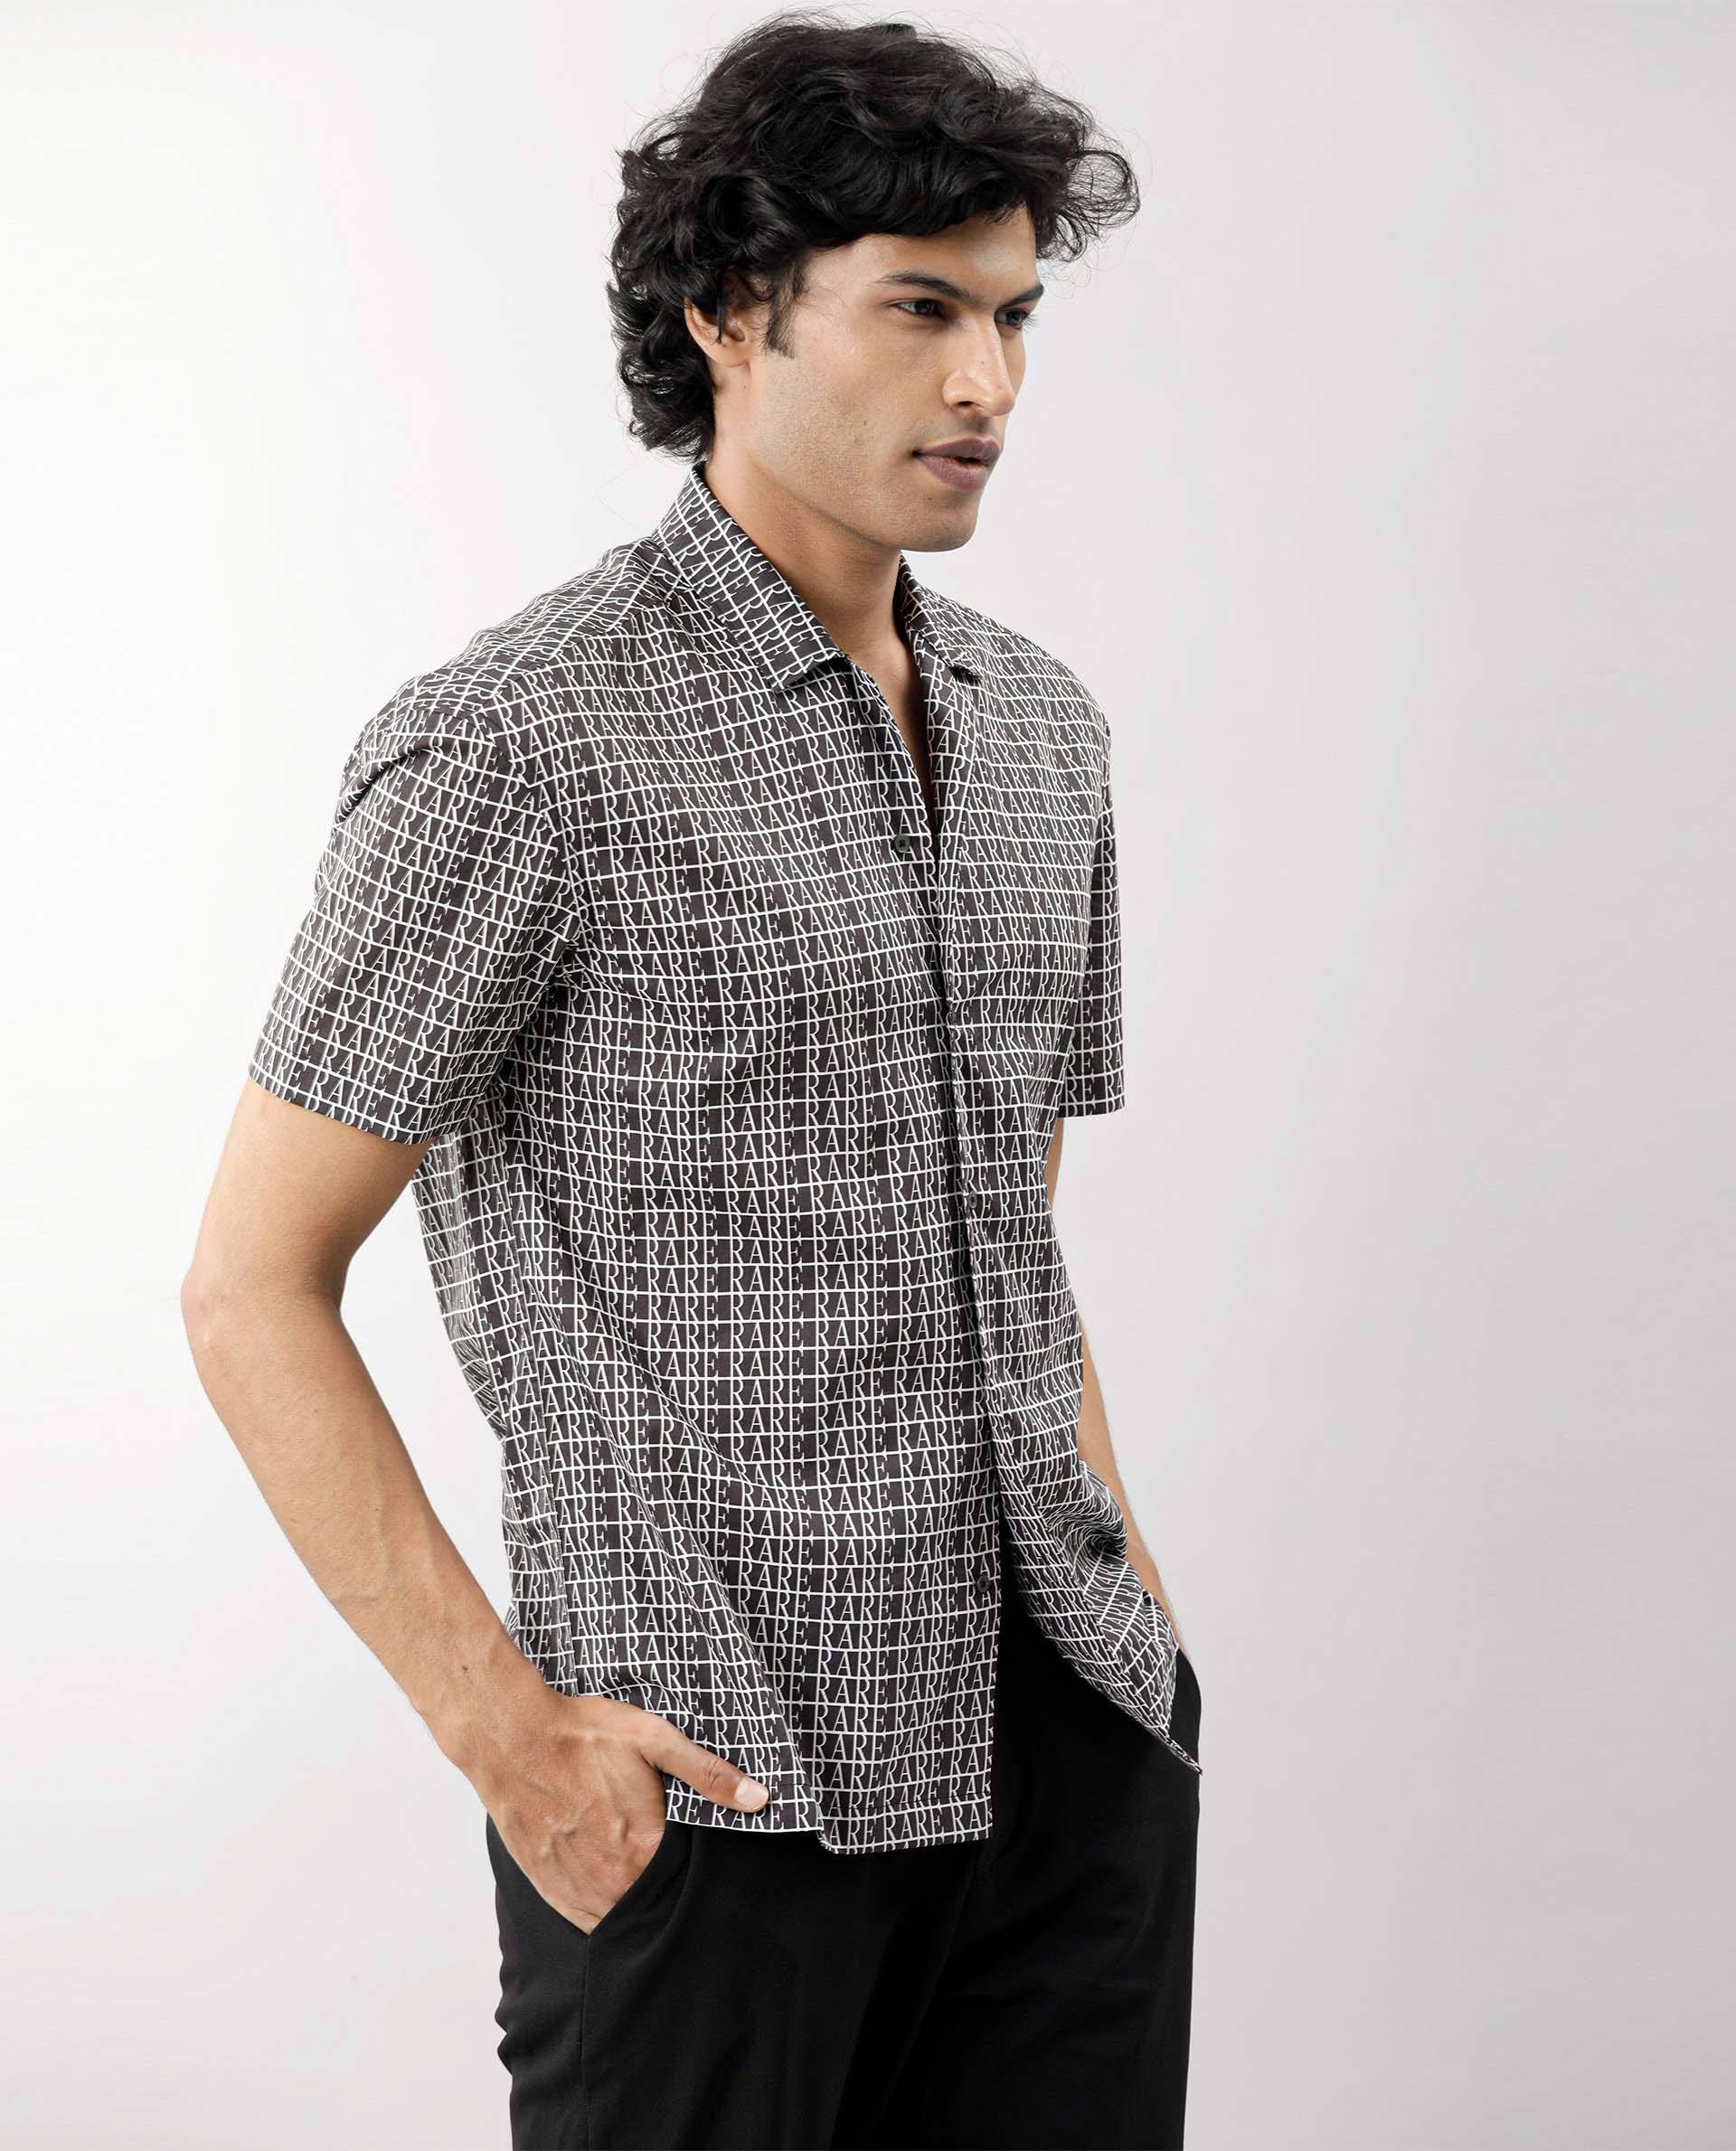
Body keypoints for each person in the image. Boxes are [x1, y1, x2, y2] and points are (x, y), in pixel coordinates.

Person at [181, 11, 1203, 2146]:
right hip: (717, 1786)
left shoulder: (1044, 734)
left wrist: (1136, 1620)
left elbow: (1008, 1233)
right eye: (920, 310)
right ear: (734, 312)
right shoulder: (519, 743)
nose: (989, 385)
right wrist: (511, 1737)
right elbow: (251, 1282)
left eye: (1013, 315)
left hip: (1068, 1753)